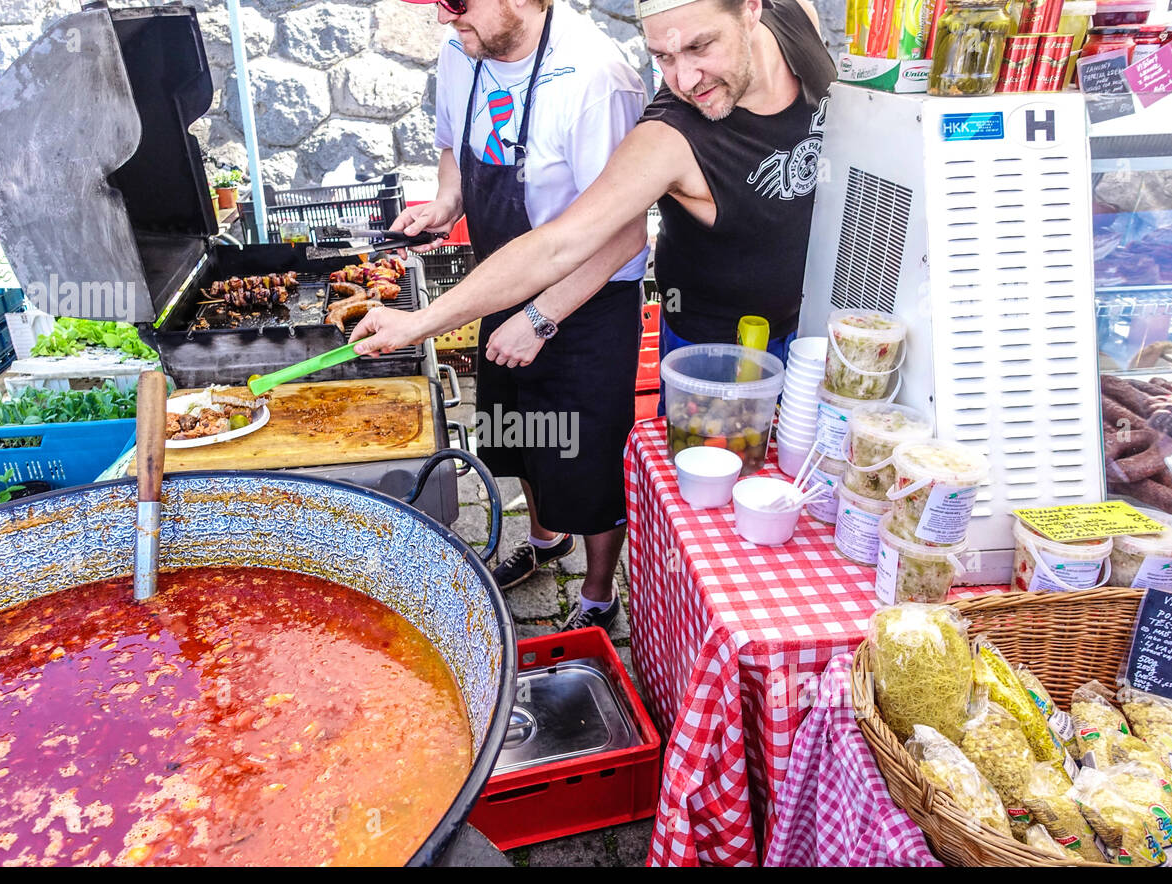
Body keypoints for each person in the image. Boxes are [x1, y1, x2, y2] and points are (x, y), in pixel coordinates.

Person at [355, 0, 835, 391]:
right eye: (663, 58)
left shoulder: (796, 17)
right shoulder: (667, 137)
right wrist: (421, 323)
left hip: (822, 325)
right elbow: (557, 245)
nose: (685, 81)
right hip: (717, 356)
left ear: (753, 9)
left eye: (700, 46)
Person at [389, 0, 651, 631]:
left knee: (583, 461)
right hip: (502, 284)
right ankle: (544, 541)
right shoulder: (463, 50)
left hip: (586, 301)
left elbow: (625, 234)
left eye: (457, 3)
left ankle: (595, 596)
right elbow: (455, 149)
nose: (446, 19)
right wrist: (444, 206)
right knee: (517, 437)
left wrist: (541, 318)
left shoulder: (595, 78)